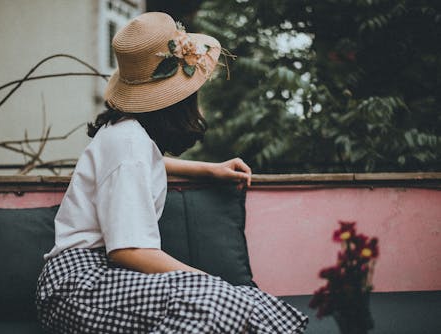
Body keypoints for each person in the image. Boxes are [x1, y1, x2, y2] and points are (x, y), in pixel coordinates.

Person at [36, 12, 308, 334]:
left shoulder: (125, 135)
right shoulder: (128, 143)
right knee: (224, 300)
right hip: (79, 287)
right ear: (176, 100)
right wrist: (207, 283)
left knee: (249, 301)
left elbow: (144, 165)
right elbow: (129, 251)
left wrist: (209, 170)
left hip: (90, 280)